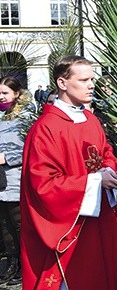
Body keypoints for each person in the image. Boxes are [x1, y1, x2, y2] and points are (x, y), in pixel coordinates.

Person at [20, 55, 117, 290]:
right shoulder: (45, 129)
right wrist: (95, 181)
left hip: (100, 221)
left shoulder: (90, 119)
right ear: (62, 83)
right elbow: (44, 186)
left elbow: (105, 152)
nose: (91, 85)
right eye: (83, 80)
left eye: (92, 79)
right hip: (70, 228)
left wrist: (108, 170)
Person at [0, 76, 35, 285]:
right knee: (5, 226)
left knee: (20, 224)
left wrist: (8, 158)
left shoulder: (26, 117)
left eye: (5, 93)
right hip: (0, 182)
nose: (1, 97)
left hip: (16, 179)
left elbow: (31, 148)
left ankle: (26, 265)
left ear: (16, 93)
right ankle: (12, 263)